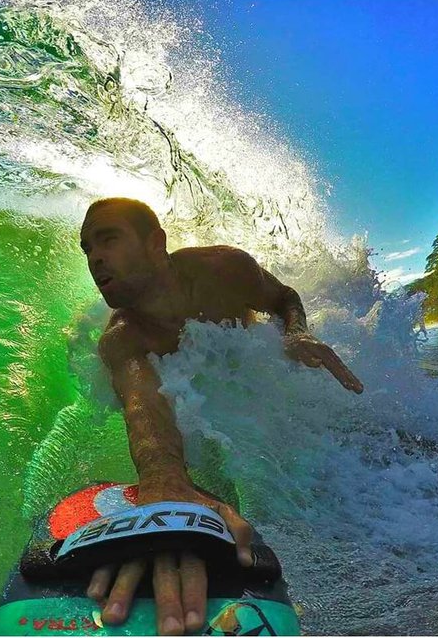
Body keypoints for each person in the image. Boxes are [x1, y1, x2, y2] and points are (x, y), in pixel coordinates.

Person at [79, 197, 364, 635]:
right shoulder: (122, 339)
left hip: (247, 368)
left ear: (156, 243)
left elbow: (283, 296)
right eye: (87, 249)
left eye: (108, 239)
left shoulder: (225, 269)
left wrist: (296, 333)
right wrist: (164, 484)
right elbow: (142, 409)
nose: (95, 257)